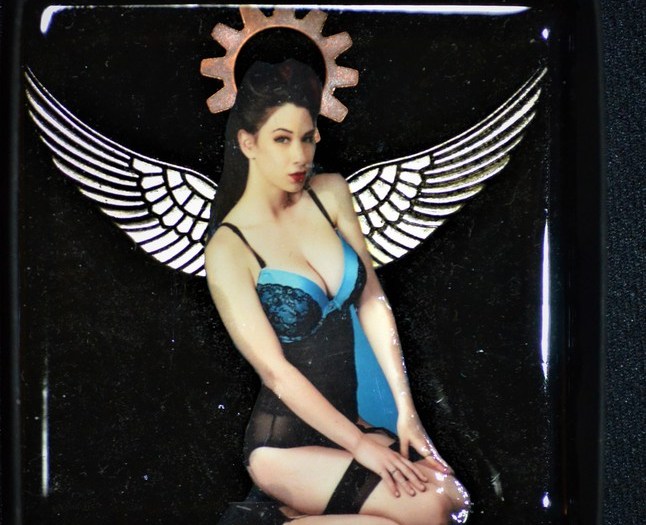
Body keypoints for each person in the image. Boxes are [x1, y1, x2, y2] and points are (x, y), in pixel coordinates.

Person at [204, 59, 471, 525]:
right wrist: (362, 446)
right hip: (282, 447)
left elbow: (372, 300)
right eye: (281, 139)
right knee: (428, 510)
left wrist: (406, 413)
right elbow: (276, 374)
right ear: (247, 143)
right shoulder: (229, 248)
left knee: (454, 500)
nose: (299, 157)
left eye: (306, 138)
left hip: (353, 420)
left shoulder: (329, 193)